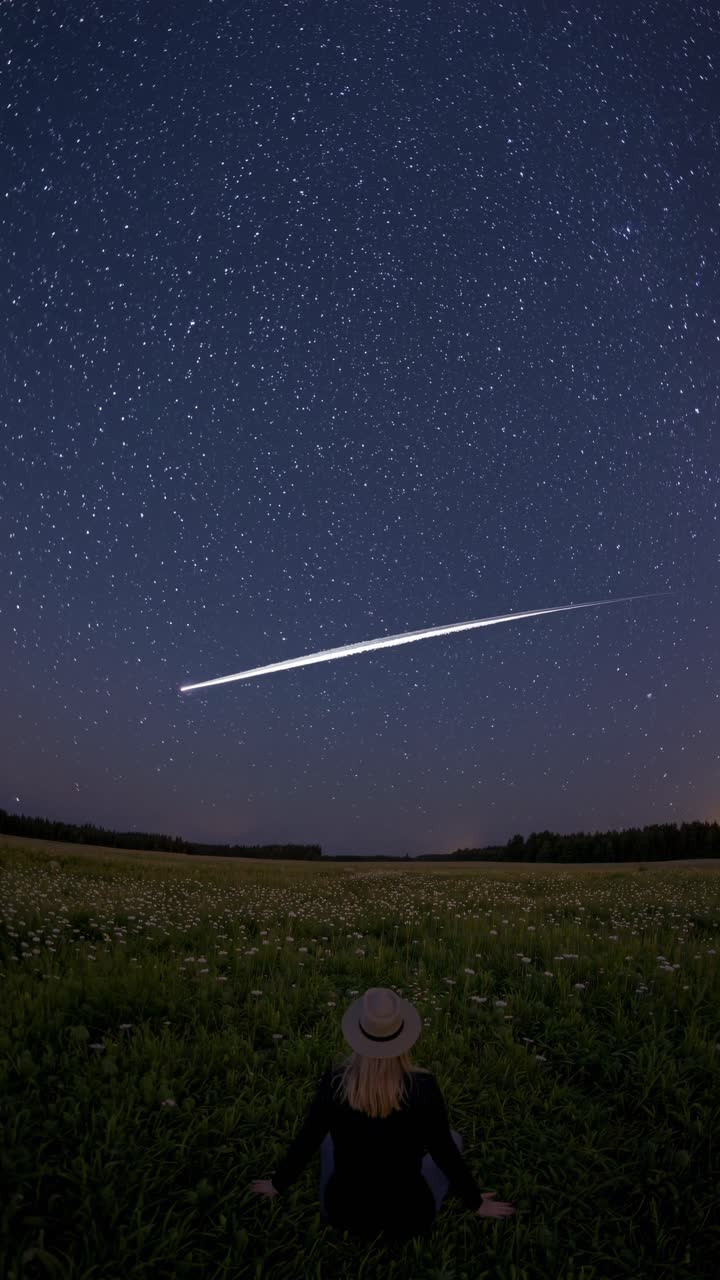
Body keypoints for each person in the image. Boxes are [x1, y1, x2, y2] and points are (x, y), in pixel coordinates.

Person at [250, 986, 515, 1242]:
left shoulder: (335, 1082)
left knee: (327, 1138)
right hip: (409, 1217)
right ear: (403, 1037)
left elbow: (307, 1139)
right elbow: (444, 1151)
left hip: (343, 1213)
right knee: (452, 1139)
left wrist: (277, 1184)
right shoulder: (423, 1088)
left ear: (358, 1034)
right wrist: (476, 1202)